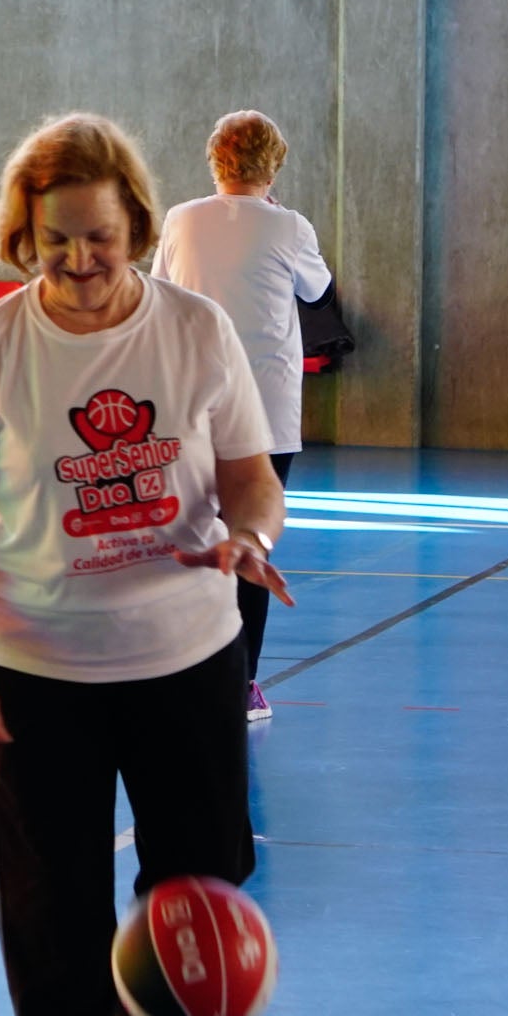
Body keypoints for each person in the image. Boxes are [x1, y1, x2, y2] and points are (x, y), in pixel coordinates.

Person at [0, 113, 293, 1016]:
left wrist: (251, 539)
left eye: (100, 238)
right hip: (33, 672)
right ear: (23, 238)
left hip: (187, 660)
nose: (78, 260)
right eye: (54, 241)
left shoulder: (197, 330)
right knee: (56, 940)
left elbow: (250, 476)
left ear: (139, 230)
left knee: (198, 922)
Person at [153, 109, 331, 721]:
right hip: (267, 409)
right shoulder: (290, 227)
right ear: (272, 163)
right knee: (250, 541)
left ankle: (184, 671)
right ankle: (241, 683)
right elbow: (317, 290)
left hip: (192, 402)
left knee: (197, 536)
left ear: (216, 161)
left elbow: (161, 292)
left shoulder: (180, 220)